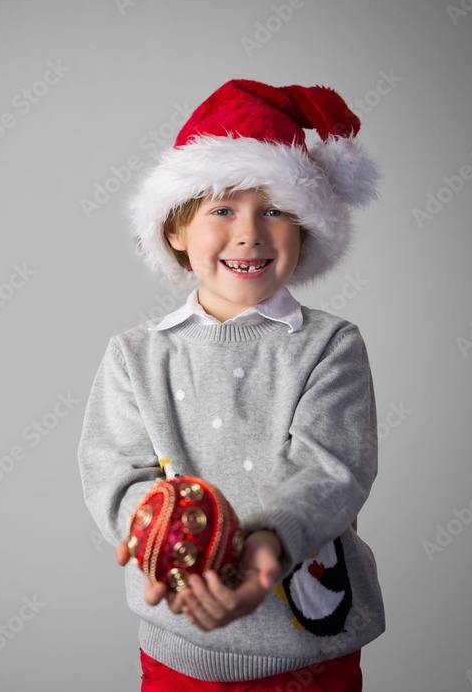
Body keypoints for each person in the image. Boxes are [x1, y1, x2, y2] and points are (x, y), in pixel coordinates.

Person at [77, 79, 386, 690]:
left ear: (305, 231)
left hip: (311, 656)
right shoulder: (135, 357)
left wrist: (264, 546)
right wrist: (161, 539)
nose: (249, 233)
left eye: (275, 210)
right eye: (222, 209)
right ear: (175, 231)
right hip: (179, 649)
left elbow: (331, 472)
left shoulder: (331, 345)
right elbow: (115, 474)